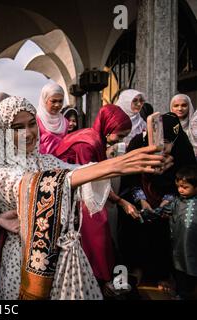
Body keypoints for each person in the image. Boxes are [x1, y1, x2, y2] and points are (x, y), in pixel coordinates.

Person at [0, 97, 170, 300]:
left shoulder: (44, 160)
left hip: (63, 257)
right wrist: (117, 165)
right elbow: (37, 186)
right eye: (17, 128)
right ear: (1, 131)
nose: (29, 133)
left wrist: (135, 163)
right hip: (23, 260)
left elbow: (79, 172)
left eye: (32, 124)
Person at [54, 105, 142, 289]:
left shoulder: (94, 136)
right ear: (108, 128)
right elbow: (89, 180)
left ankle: (100, 274)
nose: (119, 141)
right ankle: (98, 277)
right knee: (97, 227)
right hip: (71, 194)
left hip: (79, 191)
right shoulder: (88, 144)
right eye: (119, 136)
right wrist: (120, 200)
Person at [118, 113, 197, 292]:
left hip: (171, 195)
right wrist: (142, 200)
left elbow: (187, 177)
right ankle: (135, 269)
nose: (163, 148)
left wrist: (167, 200)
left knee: (163, 234)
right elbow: (130, 176)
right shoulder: (139, 143)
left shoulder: (182, 147)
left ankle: (162, 274)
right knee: (135, 226)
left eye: (168, 143)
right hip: (139, 192)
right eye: (161, 142)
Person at [162, 165, 197, 300]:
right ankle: (181, 295)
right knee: (180, 270)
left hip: (193, 246)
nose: (180, 190)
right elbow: (163, 211)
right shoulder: (177, 202)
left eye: (185, 187)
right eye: (179, 186)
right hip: (179, 247)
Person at [36, 81, 68, 155]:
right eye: (53, 101)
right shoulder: (36, 120)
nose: (57, 105)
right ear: (45, 100)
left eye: (60, 101)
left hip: (62, 163)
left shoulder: (65, 122)